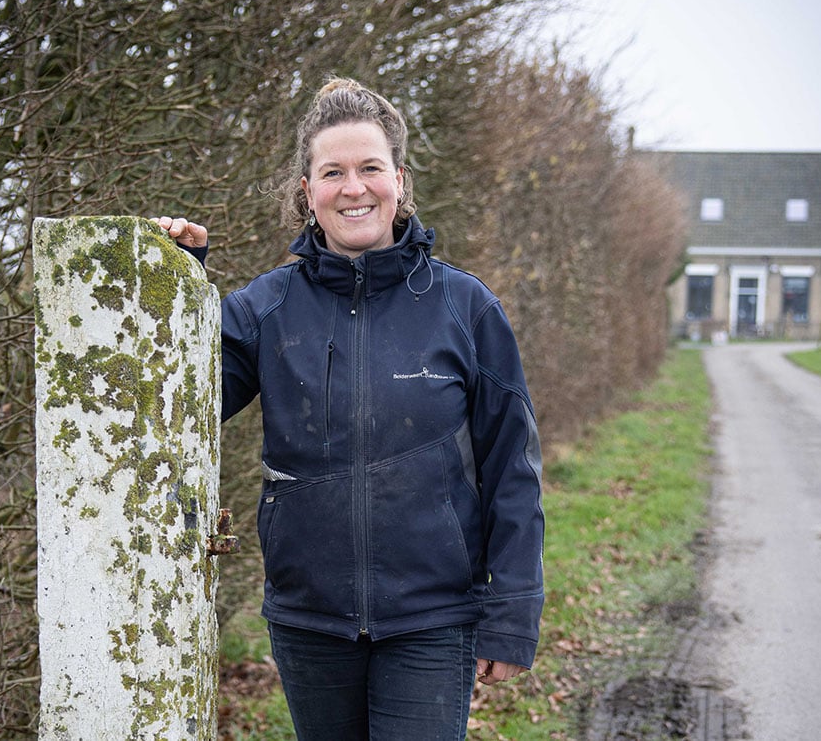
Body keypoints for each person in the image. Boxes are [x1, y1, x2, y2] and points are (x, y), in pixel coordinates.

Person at [154, 78, 543, 741]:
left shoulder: (465, 307)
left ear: (399, 180)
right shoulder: (264, 310)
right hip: (311, 622)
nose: (354, 187)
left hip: (433, 617)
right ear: (308, 191)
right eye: (333, 172)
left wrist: (511, 611)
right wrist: (180, 285)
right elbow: (183, 406)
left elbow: (514, 464)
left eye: (370, 168)